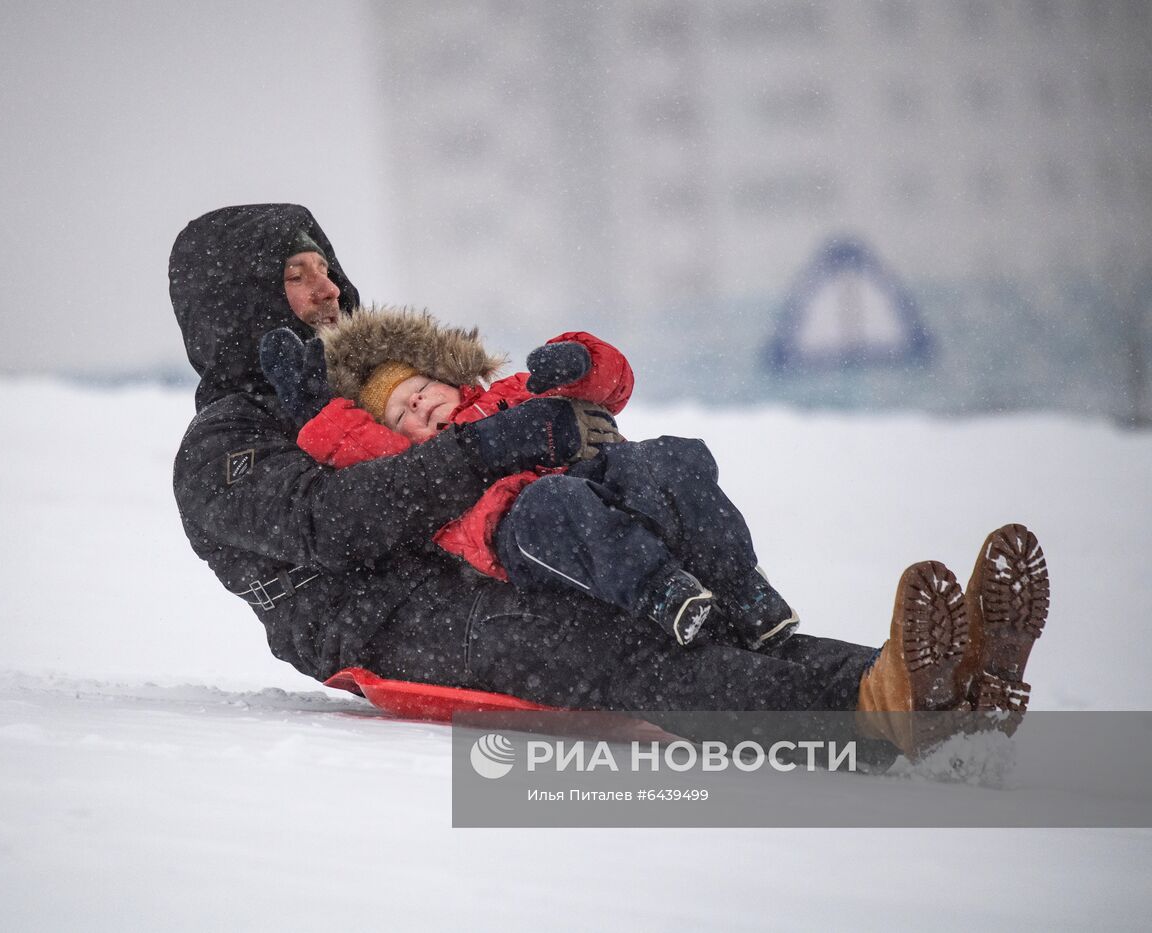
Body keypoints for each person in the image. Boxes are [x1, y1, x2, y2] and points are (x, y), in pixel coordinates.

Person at [168, 203, 1049, 762]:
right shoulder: (221, 447)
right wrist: (490, 453)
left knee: (708, 608)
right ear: (240, 300)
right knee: (641, 662)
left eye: (326, 264)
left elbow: (478, 414)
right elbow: (333, 523)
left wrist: (552, 416)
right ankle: (873, 722)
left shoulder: (368, 382)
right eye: (297, 273)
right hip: (403, 630)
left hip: (501, 554)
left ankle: (929, 690)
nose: (329, 288)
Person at [260, 305, 796, 650]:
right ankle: (662, 593)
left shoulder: (512, 392)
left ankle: (742, 588)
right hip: (518, 523)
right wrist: (314, 410)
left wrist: (581, 361)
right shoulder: (421, 461)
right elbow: (356, 446)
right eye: (402, 413)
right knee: (557, 502)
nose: (418, 405)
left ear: (446, 375)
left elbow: (608, 388)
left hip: (600, 478)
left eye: (420, 388)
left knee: (674, 457)